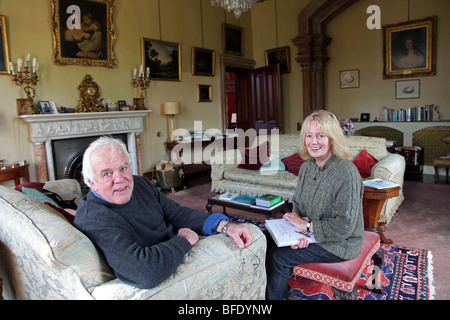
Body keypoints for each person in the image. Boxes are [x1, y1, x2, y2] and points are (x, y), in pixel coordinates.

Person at [74, 136, 253, 289]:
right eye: (107, 174)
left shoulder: (140, 184)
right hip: (165, 263)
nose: (120, 179)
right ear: (90, 182)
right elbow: (144, 272)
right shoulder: (95, 217)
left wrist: (224, 226)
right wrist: (183, 240)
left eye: (123, 168)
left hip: (174, 248)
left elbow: (177, 214)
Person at [265, 110, 364, 300]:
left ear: (333, 139)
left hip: (340, 243)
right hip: (313, 235)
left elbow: (344, 226)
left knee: (280, 257)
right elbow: (299, 204)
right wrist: (299, 232)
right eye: (309, 136)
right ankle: (270, 291)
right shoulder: (307, 167)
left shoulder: (346, 173)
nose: (313, 141)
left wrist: (309, 228)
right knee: (265, 240)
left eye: (320, 136)